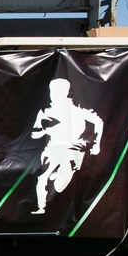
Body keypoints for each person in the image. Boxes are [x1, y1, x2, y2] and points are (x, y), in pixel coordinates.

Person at [30, 78, 104, 214]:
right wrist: (47, 130)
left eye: (58, 91)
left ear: (65, 92)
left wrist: (96, 143)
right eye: (53, 91)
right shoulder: (45, 111)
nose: (54, 94)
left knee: (60, 185)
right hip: (51, 149)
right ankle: (41, 207)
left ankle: (60, 179)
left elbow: (98, 122)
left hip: (72, 151)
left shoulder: (79, 110)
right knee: (42, 177)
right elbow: (34, 134)